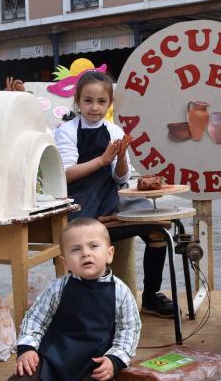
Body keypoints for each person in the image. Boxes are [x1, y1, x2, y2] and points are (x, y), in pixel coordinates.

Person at [53, 70, 173, 317]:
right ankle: (86, 302)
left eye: (101, 102)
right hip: (79, 201)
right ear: (78, 102)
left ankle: (150, 296)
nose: (94, 107)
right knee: (84, 239)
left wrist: (119, 159)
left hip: (111, 197)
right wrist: (101, 160)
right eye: (88, 101)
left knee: (157, 225)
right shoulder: (67, 130)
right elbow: (65, 174)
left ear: (109, 104)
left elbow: (120, 178)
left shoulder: (114, 131)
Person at [11, 218, 140, 381]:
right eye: (76, 249)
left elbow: (129, 330)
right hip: (52, 359)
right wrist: (27, 348)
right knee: (24, 375)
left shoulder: (121, 292)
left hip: (94, 364)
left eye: (94, 246)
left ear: (109, 254)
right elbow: (35, 319)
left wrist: (115, 359)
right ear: (65, 262)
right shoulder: (57, 288)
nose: (86, 253)